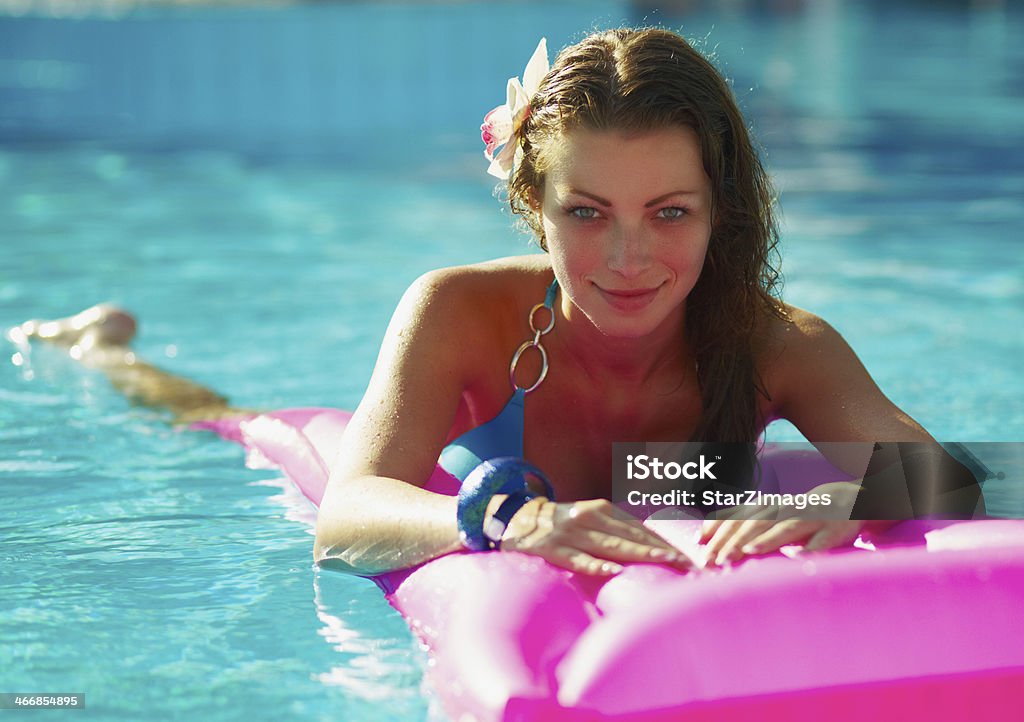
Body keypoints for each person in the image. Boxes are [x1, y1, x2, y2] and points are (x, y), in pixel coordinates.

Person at [11, 27, 979, 580]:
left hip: (663, 491)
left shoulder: (773, 342)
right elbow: (344, 515)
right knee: (226, 419)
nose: (630, 257)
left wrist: (836, 500)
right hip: (449, 482)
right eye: (587, 212)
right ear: (532, 205)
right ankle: (104, 350)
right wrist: (504, 521)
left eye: (669, 212)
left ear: (720, 211)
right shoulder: (458, 312)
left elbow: (949, 471)